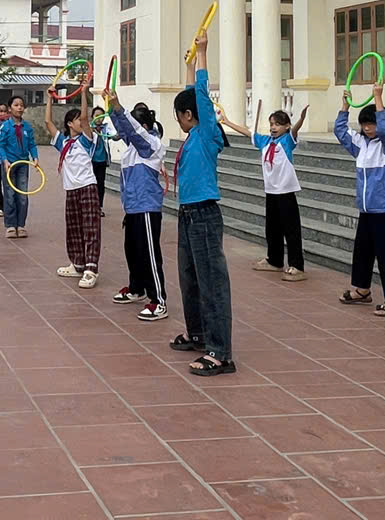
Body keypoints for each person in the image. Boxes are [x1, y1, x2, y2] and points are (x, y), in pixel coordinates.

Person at [168, 32, 235, 372]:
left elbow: (202, 99)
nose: (178, 122)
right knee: (190, 278)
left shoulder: (207, 132)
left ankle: (220, 353)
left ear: (188, 116)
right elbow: (193, 97)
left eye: (179, 116)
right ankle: (198, 334)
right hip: (188, 214)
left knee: (212, 283)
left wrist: (204, 53)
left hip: (204, 215)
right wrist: (190, 65)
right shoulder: (194, 134)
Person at [220, 98, 309, 280]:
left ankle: (297, 265)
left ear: (286, 126)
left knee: (291, 230)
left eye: (277, 124)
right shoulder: (265, 141)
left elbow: (295, 130)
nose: (273, 128)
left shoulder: (287, 140)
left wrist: (301, 119)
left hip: (286, 191)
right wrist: (227, 122)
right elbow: (248, 133)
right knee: (272, 228)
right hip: (271, 191)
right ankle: (275, 261)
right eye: (271, 124)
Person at [335, 84, 385, 316]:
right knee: (362, 252)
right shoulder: (361, 145)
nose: (368, 128)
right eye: (364, 124)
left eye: (371, 123)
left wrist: (378, 97)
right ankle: (362, 290)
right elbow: (340, 131)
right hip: (366, 210)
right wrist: (345, 105)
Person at [103, 85, 168, 321]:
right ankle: (136, 288)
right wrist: (112, 108)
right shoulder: (132, 147)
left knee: (150, 254)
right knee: (133, 251)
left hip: (147, 207)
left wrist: (118, 106)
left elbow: (132, 129)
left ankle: (158, 300)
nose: (128, 132)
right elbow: (125, 128)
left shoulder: (151, 144)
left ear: (146, 126)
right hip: (132, 207)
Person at [44, 90, 101, 288]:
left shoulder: (86, 140)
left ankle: (91, 268)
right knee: (74, 228)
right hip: (71, 189)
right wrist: (49, 99)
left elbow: (85, 118)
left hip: (88, 187)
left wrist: (84, 93)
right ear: (69, 124)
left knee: (91, 228)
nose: (82, 122)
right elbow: (48, 122)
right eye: (76, 120)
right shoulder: (63, 142)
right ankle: (78, 264)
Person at [0, 94, 39, 239]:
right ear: (10, 109)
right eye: (16, 105)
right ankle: (10, 225)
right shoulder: (6, 127)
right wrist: (5, 160)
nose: (19, 108)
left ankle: (21, 225)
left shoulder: (27, 127)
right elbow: (0, 146)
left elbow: (32, 144)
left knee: (22, 195)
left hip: (23, 164)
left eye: (21, 105)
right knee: (9, 194)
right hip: (9, 165)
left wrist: (35, 157)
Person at [91, 105, 115, 217]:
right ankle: (90, 206)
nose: (99, 118)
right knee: (91, 184)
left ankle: (99, 207)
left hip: (102, 161)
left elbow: (114, 136)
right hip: (91, 161)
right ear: (92, 117)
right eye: (97, 116)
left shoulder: (105, 129)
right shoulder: (88, 129)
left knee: (100, 184)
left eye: (101, 116)